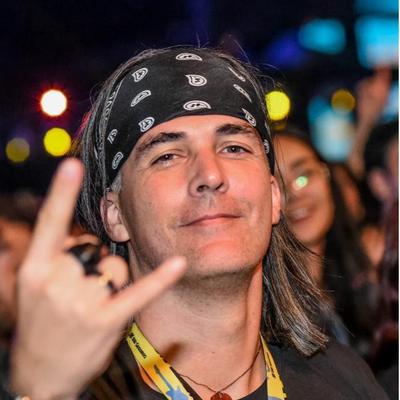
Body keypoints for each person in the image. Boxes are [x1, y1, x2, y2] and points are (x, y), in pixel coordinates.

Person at [6, 48, 388, 399]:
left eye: (234, 148)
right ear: (115, 214)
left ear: (274, 196)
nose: (210, 174)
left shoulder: (344, 380)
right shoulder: (71, 389)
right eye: (167, 156)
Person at [273, 127, 378, 356]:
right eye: (276, 186)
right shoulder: (269, 315)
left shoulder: (359, 280)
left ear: (327, 177)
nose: (293, 194)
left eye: (303, 176)